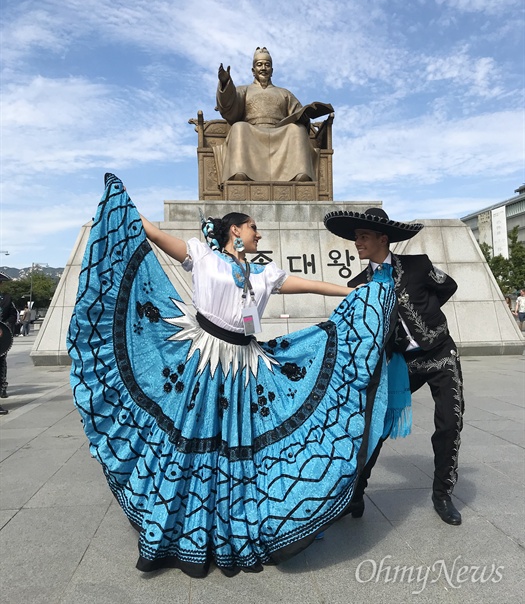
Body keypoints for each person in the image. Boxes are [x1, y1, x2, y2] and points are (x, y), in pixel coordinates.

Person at [68, 174, 410, 577]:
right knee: (194, 441)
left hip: (246, 364)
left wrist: (349, 293)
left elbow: (301, 284)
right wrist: (123, 205)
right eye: (253, 227)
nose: (258, 233)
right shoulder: (202, 256)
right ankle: (178, 528)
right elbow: (157, 235)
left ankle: (235, 522)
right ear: (235, 230)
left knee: (236, 445)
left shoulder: (262, 274)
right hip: (202, 358)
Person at [324, 207, 464, 526]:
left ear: (382, 239)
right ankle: (355, 495)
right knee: (376, 425)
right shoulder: (359, 283)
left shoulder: (418, 265)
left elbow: (448, 287)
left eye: (363, 237)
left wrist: (425, 320)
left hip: (442, 354)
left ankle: (442, 495)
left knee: (449, 424)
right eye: (356, 237)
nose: (357, 242)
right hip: (403, 363)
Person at [213, 47, 325, 184]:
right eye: (259, 65)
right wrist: (225, 83)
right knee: (239, 127)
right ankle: (240, 172)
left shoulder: (284, 93)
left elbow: (297, 113)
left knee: (297, 130)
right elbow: (228, 106)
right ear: (253, 70)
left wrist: (306, 115)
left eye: (267, 65)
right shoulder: (244, 90)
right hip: (252, 131)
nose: (263, 68)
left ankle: (299, 173)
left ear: (272, 70)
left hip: (280, 131)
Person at [0, 275, 18, 406]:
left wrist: (6, 326)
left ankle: (2, 386)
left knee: (1, 361)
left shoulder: (6, 298)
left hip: (2, 336)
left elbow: (13, 314)